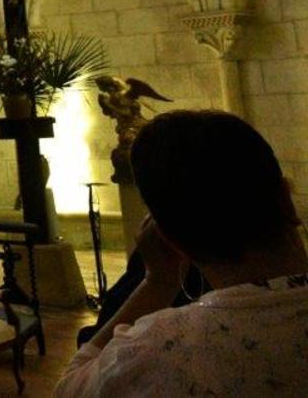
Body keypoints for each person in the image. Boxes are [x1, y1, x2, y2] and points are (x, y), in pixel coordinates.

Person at [56, 110, 308, 396]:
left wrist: (157, 283)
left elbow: (70, 389)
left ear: (167, 240)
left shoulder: (152, 352)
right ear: (286, 200)